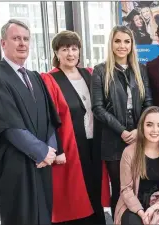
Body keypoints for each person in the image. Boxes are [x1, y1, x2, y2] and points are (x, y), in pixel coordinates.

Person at [0, 19, 60, 224]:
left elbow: (50, 118)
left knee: (45, 215)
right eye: (16, 39)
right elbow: (8, 125)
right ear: (4, 43)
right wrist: (41, 152)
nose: (22, 43)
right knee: (20, 216)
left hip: (42, 164)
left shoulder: (35, 77)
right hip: (15, 163)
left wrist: (50, 151)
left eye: (26, 39)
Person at [41, 30, 109, 224]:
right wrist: (57, 149)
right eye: (64, 49)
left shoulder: (89, 74)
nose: (70, 53)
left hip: (93, 142)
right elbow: (48, 118)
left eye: (74, 48)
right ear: (56, 53)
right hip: (69, 144)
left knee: (94, 185)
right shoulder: (50, 79)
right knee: (73, 193)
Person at [91, 25, 153, 220]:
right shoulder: (100, 71)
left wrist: (138, 130)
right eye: (118, 41)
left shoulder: (141, 69)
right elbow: (97, 108)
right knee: (119, 187)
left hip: (139, 137)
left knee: (140, 185)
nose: (122, 45)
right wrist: (122, 131)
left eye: (127, 41)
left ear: (132, 45)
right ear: (111, 43)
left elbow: (148, 103)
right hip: (113, 139)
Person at [114, 106, 159, 225]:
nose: (154, 130)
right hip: (133, 204)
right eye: (149, 124)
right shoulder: (129, 152)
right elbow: (126, 189)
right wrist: (141, 212)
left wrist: (154, 207)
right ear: (142, 127)